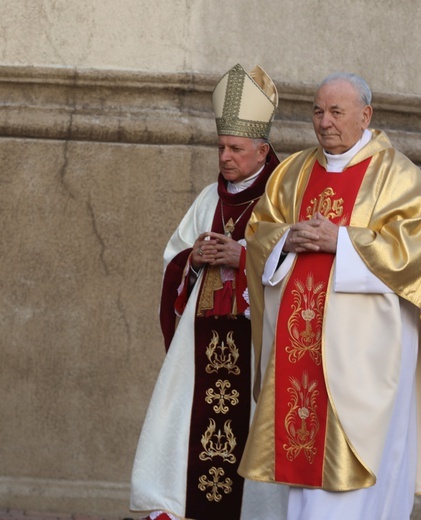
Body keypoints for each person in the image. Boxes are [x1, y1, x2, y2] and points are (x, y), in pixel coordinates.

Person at [239, 72, 421, 520]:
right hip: (301, 353)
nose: (324, 122)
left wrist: (344, 242)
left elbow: (414, 255)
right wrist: (286, 240)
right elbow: (258, 233)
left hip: (368, 356)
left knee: (362, 468)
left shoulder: (396, 175)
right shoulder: (293, 172)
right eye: (317, 111)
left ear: (365, 115)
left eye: (336, 111)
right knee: (307, 472)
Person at [130, 64, 286, 520]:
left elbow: (298, 270)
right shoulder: (208, 200)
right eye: (221, 147)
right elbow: (173, 258)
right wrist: (193, 259)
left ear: (262, 149)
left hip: (256, 345)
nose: (225, 157)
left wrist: (244, 258)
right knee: (182, 429)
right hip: (201, 343)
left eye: (236, 148)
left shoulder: (281, 198)